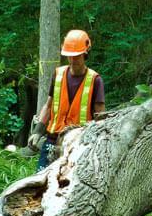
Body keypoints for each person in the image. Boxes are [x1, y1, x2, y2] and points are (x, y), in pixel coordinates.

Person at [28, 29, 105, 171]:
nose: (72, 60)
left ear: (86, 54)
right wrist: (38, 131)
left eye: (76, 56)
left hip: (79, 143)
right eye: (69, 56)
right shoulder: (58, 75)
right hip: (52, 140)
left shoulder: (95, 80)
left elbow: (101, 118)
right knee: (39, 182)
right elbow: (48, 106)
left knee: (69, 186)